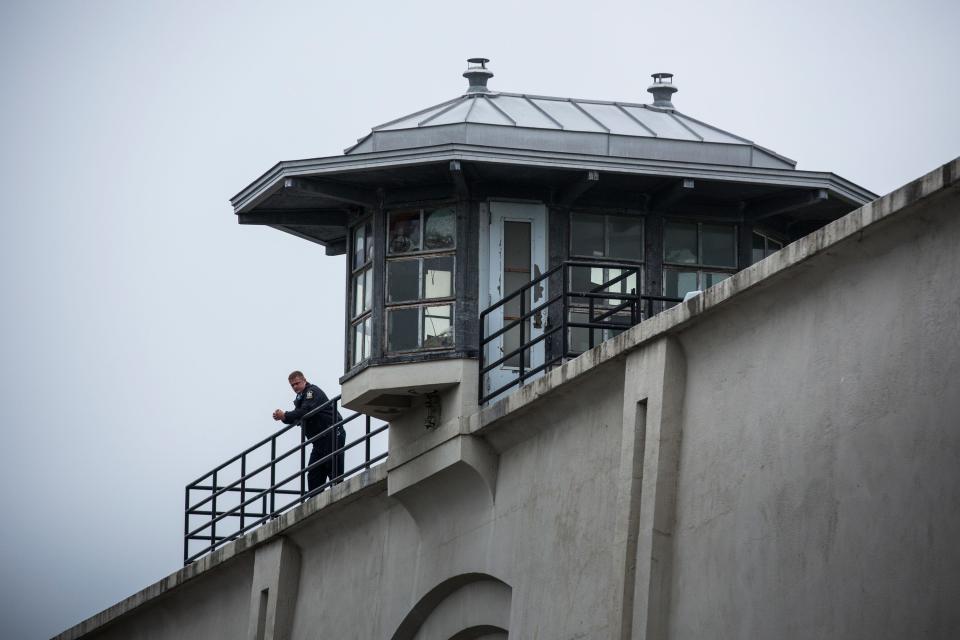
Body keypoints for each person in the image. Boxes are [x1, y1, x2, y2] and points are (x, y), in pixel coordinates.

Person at [272, 371, 345, 492]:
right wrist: (284, 418)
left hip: (331, 433)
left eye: (297, 383)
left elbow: (305, 411)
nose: (295, 387)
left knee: (333, 468)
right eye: (292, 385)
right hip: (319, 440)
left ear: (304, 380)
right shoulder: (301, 397)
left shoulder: (312, 392)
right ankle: (315, 499)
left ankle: (339, 495)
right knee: (314, 474)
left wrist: (285, 414)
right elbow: (297, 416)